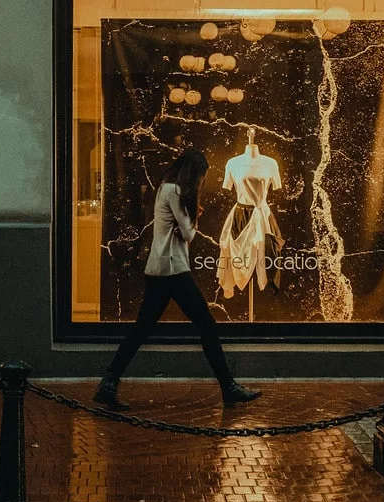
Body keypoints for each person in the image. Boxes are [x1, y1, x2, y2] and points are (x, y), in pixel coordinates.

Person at [94, 148, 262, 410]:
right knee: (206, 325)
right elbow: (188, 234)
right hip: (172, 269)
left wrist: (188, 217)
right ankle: (229, 388)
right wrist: (193, 215)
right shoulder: (174, 191)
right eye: (201, 178)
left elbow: (181, 228)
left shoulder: (166, 187)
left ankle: (108, 383)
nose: (201, 183)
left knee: (141, 329)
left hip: (160, 270)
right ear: (193, 174)